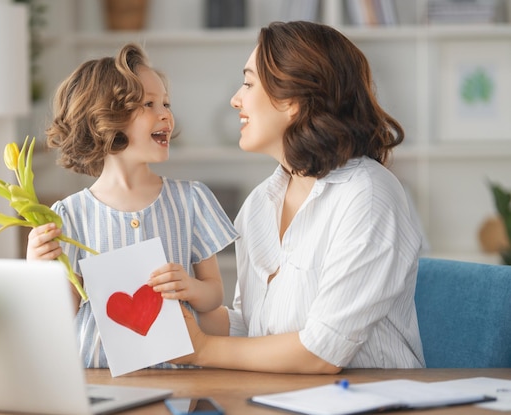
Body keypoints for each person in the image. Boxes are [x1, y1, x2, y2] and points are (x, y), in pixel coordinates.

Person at [174, 21, 426, 374]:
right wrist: (175, 305)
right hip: (283, 399)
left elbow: (321, 352)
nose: (236, 99)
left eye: (248, 83)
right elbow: (257, 332)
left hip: (370, 401)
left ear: (292, 101)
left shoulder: (367, 196)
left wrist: (202, 350)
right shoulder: (258, 205)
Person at [26, 43, 238, 368]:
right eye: (149, 104)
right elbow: (61, 315)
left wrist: (191, 287)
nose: (166, 113)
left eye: (166, 102)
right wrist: (38, 269)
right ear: (106, 120)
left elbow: (214, 296)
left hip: (180, 375)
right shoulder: (69, 216)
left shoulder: (192, 199)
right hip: (99, 377)